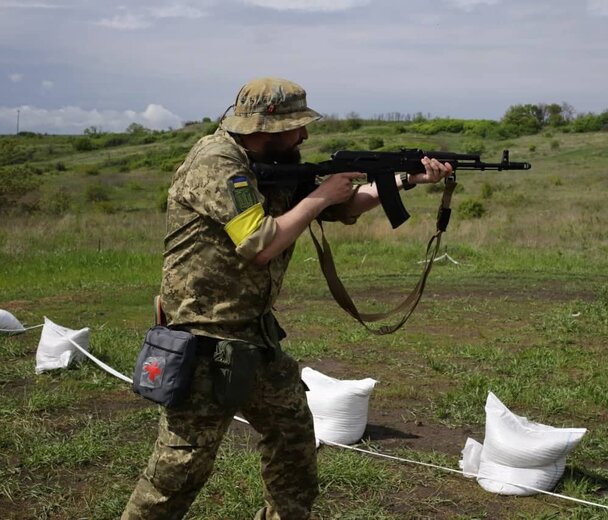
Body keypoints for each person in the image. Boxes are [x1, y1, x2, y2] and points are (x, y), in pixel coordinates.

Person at [121, 77, 452, 520]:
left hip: (256, 341)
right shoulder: (217, 163)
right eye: (297, 127)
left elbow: (345, 206)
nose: (305, 136)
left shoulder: (274, 162)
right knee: (178, 471)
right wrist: (319, 196)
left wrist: (401, 181)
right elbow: (259, 243)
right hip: (202, 342)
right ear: (266, 126)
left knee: (294, 444)